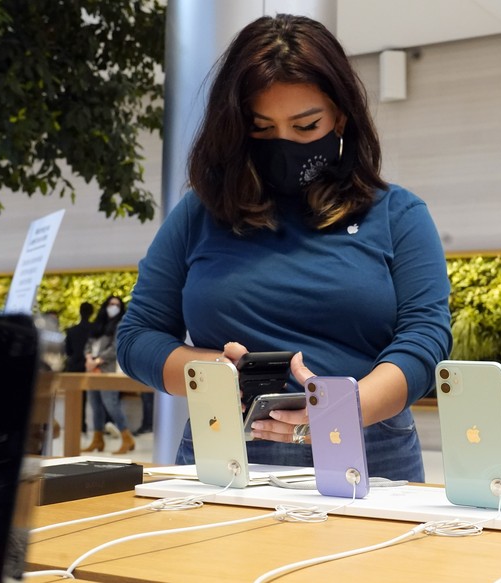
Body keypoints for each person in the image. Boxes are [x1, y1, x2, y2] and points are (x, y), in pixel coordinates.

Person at [116, 14, 451, 482]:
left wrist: (348, 407)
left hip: (368, 446)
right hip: (223, 444)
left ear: (340, 116)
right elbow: (137, 338)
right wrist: (210, 372)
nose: (285, 143)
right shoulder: (199, 214)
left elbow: (425, 337)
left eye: (305, 125)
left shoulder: (398, 214)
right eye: (262, 128)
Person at [82, 295, 134, 454]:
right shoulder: (98, 325)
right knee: (95, 405)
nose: (113, 307)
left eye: (117, 304)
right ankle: (97, 440)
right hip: (91, 372)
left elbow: (115, 349)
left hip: (107, 370)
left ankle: (127, 438)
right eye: (111, 304)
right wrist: (89, 357)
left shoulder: (120, 324)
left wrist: (97, 361)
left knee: (111, 404)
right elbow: (88, 345)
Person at [63, 301, 94, 432]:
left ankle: (76, 425)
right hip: (91, 366)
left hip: (74, 366)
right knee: (95, 398)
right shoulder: (95, 330)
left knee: (74, 398)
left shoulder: (71, 331)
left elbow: (68, 351)